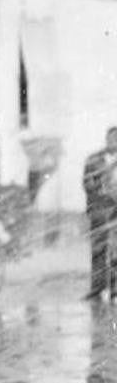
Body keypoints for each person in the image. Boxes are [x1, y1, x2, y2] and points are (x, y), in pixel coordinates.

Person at [83, 127, 117, 300]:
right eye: (112, 139)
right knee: (98, 249)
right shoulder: (94, 159)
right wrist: (101, 186)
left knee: (116, 251)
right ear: (106, 140)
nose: (114, 142)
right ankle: (97, 288)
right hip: (100, 210)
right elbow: (87, 184)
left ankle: (114, 289)